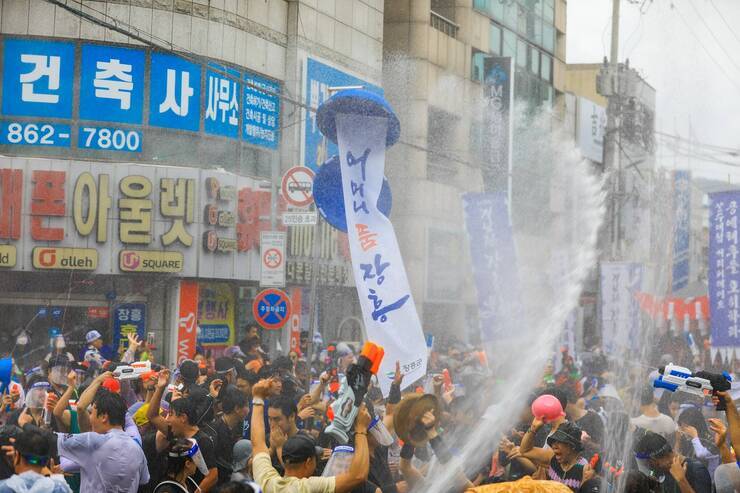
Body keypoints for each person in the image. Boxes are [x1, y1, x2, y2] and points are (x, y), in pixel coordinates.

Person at [250, 378, 372, 493]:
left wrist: (257, 398)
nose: (273, 425)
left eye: (276, 419)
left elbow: (257, 444)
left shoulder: (267, 481)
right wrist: (361, 429)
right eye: (270, 419)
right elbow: (358, 476)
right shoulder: (309, 488)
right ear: (309, 462)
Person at [56, 390, 150, 492]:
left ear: (104, 417)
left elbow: (55, 444)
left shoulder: (93, 443)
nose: (90, 418)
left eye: (91, 413)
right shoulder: (137, 448)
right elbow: (144, 479)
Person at [147, 369, 219, 492]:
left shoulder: (203, 441)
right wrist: (160, 388)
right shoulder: (174, 432)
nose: (167, 419)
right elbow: (152, 416)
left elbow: (213, 475)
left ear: (183, 418)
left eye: (171, 414)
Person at [520, 420, 592, 491]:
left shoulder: (584, 470)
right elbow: (525, 451)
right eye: (554, 441)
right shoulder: (552, 458)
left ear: (572, 446)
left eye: (559, 442)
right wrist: (534, 427)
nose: (554, 446)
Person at [633, 431, 712, 493]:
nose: (647, 466)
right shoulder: (660, 472)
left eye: (646, 462)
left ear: (653, 460)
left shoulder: (696, 470)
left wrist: (681, 480)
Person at [0, 424, 71, 493]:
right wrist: (56, 477)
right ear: (46, 462)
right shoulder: (59, 488)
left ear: (17, 455)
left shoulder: (4, 488)